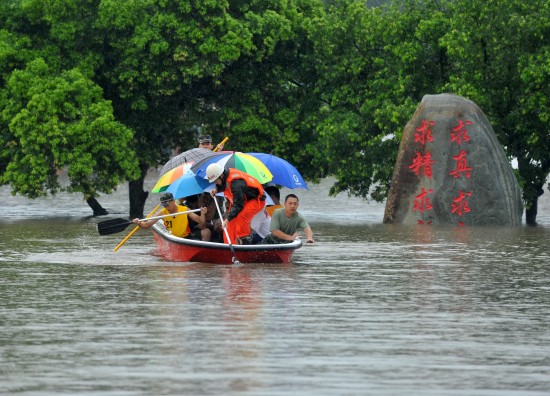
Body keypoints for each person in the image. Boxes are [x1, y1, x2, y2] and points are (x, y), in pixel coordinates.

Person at [206, 163, 266, 245]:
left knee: (241, 216)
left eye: (216, 180)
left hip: (256, 200)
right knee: (229, 224)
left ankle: (244, 242)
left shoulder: (236, 183)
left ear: (221, 175)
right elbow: (224, 185)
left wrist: (227, 219)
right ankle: (229, 245)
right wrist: (217, 189)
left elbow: (238, 205)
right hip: (243, 200)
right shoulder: (225, 177)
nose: (216, 182)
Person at [132, 192, 210, 240]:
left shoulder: (185, 209)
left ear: (173, 201)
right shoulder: (163, 212)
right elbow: (146, 225)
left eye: (167, 204)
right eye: (164, 205)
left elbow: (202, 223)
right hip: (173, 238)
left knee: (207, 232)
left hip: (186, 237)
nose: (166, 207)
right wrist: (138, 222)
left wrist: (203, 214)